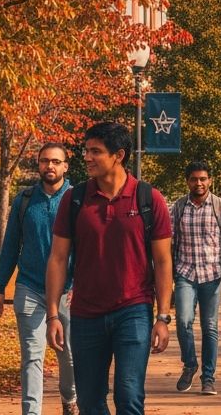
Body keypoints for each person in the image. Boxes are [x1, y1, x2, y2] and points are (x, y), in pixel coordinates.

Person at [45, 122, 173, 415]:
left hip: (134, 310)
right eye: (86, 150)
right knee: (90, 401)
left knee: (128, 396)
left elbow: (164, 261)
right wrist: (53, 314)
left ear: (119, 155)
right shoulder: (74, 199)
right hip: (85, 314)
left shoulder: (149, 199)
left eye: (96, 151)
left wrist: (163, 316)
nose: (87, 157)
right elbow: (57, 258)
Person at [0, 142, 77, 415]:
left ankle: (69, 399)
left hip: (69, 291)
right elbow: (11, 246)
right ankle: (31, 412)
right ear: (38, 164)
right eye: (44, 161)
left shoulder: (78, 199)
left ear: (65, 166)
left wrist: (81, 285)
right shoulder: (25, 200)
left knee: (69, 356)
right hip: (29, 287)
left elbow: (88, 247)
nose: (49, 166)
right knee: (32, 356)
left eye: (55, 161)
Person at [170, 161, 221, 395]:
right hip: (185, 273)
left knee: (210, 326)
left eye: (203, 179)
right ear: (187, 181)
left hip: (212, 275)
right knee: (183, 320)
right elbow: (168, 242)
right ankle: (190, 364)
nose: (198, 183)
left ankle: (208, 377)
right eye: (194, 179)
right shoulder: (178, 207)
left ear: (209, 180)